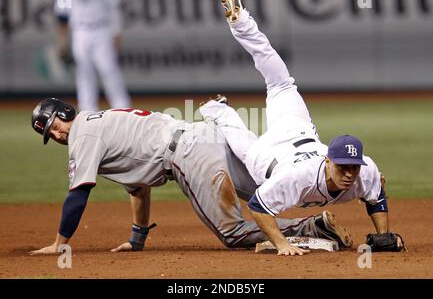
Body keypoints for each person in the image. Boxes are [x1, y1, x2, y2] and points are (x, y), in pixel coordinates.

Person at [199, 0, 405, 256]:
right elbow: (258, 206)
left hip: (300, 134)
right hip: (271, 157)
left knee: (280, 85)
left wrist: (383, 237)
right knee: (253, 123)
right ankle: (219, 104)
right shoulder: (296, 178)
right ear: (329, 161)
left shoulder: (365, 172)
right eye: (343, 167)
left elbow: (376, 198)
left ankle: (221, 109)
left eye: (353, 167)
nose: (349, 174)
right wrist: (281, 244)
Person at [29, 97, 352, 255]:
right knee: (271, 190)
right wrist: (137, 239)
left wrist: (60, 243)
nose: (57, 135)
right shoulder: (99, 123)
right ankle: (333, 180)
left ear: (67, 112)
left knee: (234, 233)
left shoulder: (83, 135)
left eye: (56, 125)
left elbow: (78, 192)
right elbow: (138, 188)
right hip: (207, 137)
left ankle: (312, 227)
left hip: (188, 155)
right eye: (50, 135)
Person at [54, 0, 131, 112]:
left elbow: (114, 9)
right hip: (80, 31)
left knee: (108, 70)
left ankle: (123, 108)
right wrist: (62, 42)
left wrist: (116, 33)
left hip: (102, 30)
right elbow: (62, 16)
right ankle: (87, 111)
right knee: (84, 73)